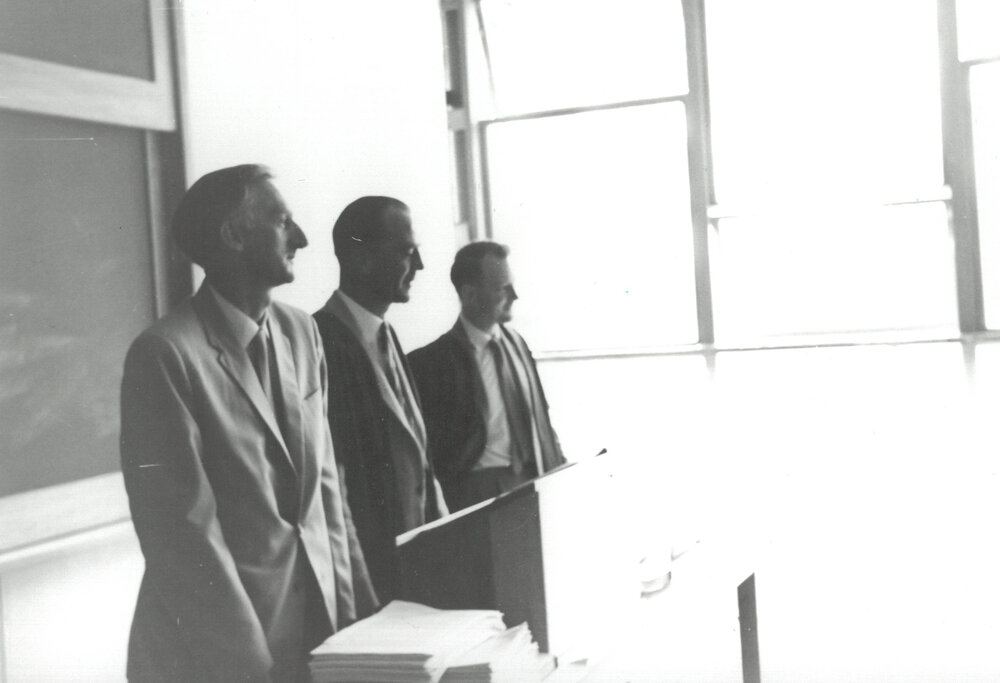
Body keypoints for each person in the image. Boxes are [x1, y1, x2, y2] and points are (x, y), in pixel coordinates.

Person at [120, 164, 377, 683]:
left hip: (321, 630)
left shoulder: (301, 331)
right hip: (218, 651)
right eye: (283, 222)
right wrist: (251, 667)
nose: (302, 238)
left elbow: (327, 488)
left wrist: (364, 623)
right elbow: (186, 535)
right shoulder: (166, 354)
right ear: (234, 235)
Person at [313, 196, 447, 603]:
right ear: (361, 258)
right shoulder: (319, 343)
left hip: (414, 568)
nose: (420, 265)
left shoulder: (388, 336)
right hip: (367, 579)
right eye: (407, 251)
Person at [408, 241, 566, 511]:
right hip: (477, 491)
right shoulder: (432, 362)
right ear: (469, 295)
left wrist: (560, 468)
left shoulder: (517, 344)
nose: (514, 295)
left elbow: (541, 415)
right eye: (502, 288)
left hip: (534, 479)